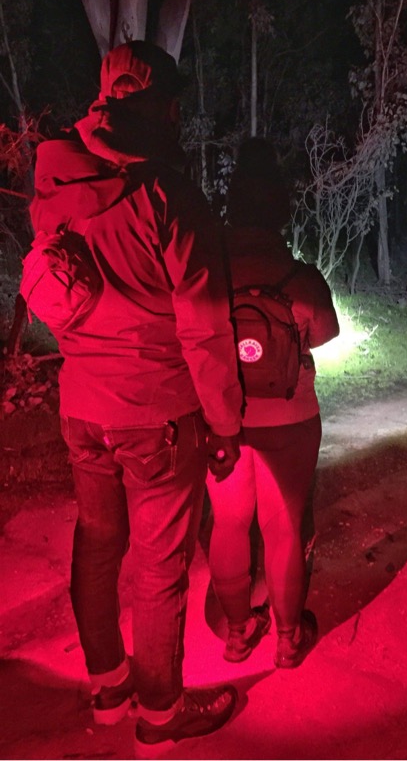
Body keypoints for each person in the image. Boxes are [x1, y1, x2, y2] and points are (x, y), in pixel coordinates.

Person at [30, 41, 244, 758]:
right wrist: (225, 424)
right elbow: (207, 327)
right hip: (156, 414)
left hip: (81, 406)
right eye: (175, 101)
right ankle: (159, 716)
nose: (180, 113)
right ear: (159, 106)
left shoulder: (58, 182)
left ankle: (109, 689)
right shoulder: (168, 197)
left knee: (97, 546)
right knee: (160, 567)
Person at [207, 137, 339, 668]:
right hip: (290, 418)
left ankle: (238, 632)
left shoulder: (207, 271)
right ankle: (287, 638)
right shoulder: (300, 277)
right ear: (281, 209)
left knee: (229, 523)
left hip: (225, 420)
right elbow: (325, 335)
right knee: (283, 527)